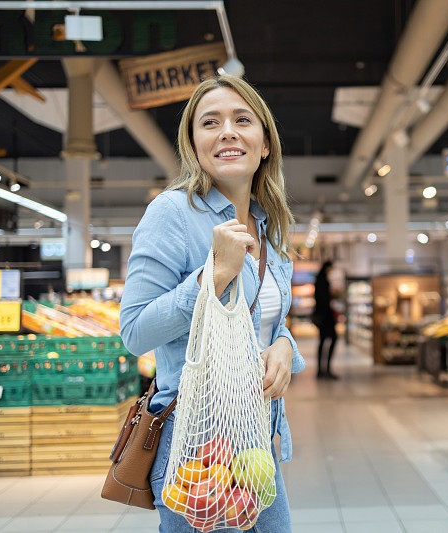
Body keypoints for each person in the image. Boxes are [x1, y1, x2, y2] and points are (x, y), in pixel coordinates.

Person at [119, 75, 305, 533]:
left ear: (265, 144)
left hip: (257, 440)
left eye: (243, 119)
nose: (227, 131)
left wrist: (285, 348)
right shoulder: (173, 213)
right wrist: (212, 276)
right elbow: (134, 332)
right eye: (210, 122)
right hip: (196, 446)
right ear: (194, 144)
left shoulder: (270, 228)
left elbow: (269, 323)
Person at [312, 261, 338, 379]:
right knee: (332, 338)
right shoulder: (323, 281)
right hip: (325, 316)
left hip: (322, 316)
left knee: (322, 341)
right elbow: (324, 300)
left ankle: (321, 370)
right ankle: (326, 369)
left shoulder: (319, 280)